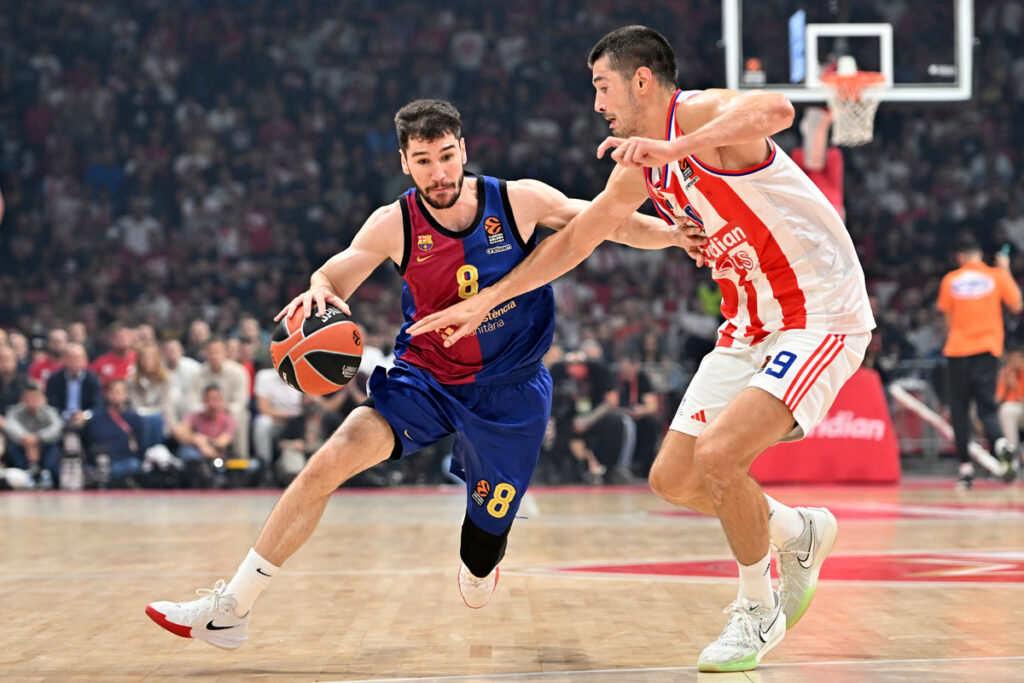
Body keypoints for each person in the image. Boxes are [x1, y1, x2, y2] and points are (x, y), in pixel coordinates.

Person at [145, 98, 697, 649]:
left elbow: (608, 223)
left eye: (446, 156)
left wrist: (672, 236)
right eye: (424, 160)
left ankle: (481, 560)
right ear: (405, 163)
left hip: (512, 393)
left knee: (480, 556)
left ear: (464, 151)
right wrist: (319, 285)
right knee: (325, 464)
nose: (439, 172)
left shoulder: (519, 199)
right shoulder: (395, 223)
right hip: (426, 378)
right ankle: (232, 607)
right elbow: (340, 270)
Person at [408, 27, 875, 672]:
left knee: (719, 454)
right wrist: (487, 299)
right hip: (748, 323)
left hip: (821, 312)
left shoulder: (705, 114)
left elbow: (780, 111)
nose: (597, 101)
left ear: (642, 81)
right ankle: (798, 532)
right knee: (675, 478)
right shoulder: (638, 167)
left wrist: (674, 145)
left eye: (602, 86)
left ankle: (756, 608)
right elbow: (579, 238)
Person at [937, 234, 1023, 488]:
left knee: (960, 412)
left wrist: (956, 336)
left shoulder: (950, 280)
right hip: (987, 350)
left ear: (959, 257)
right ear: (980, 255)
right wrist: (1005, 270)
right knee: (987, 407)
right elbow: (1017, 304)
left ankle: (965, 472)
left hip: (957, 351)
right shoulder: (996, 277)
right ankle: (1001, 444)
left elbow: (947, 320)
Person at [192, 337, 251, 459]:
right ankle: (198, 459)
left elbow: (241, 402)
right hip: (205, 413)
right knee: (191, 418)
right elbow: (192, 402)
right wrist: (209, 408)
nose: (214, 355)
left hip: (229, 412)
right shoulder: (197, 374)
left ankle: (241, 459)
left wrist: (223, 408)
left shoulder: (239, 372)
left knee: (241, 416)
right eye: (210, 351)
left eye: (217, 351)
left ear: (225, 352)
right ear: (205, 353)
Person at [82, 379, 144, 488]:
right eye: (114, 392)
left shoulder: (134, 418)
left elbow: (140, 444)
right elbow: (88, 441)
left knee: (134, 465)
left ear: (126, 395)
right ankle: (107, 478)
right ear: (107, 394)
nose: (117, 396)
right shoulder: (96, 417)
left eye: (120, 392)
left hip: (123, 461)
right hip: (100, 461)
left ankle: (106, 479)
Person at [173, 384, 237, 487]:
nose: (212, 403)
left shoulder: (228, 420)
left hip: (217, 457)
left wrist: (204, 441)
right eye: (209, 399)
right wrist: (196, 440)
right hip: (198, 456)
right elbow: (180, 432)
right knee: (186, 451)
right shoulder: (195, 416)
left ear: (221, 400)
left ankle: (211, 478)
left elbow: (222, 442)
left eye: (215, 399)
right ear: (204, 400)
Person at [45, 342, 104, 455]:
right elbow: (51, 404)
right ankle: (52, 468)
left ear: (85, 360)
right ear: (64, 359)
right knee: (52, 431)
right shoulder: (55, 379)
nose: (74, 361)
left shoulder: (92, 379)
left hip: (85, 418)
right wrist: (67, 416)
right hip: (61, 418)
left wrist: (85, 415)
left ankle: (92, 465)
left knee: (98, 428)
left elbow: (97, 404)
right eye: (71, 358)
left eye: (78, 358)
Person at [3, 383, 62, 488]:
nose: (31, 401)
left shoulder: (48, 411)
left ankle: (47, 474)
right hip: (22, 445)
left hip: (43, 446)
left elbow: (57, 426)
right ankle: (24, 475)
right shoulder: (15, 411)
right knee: (13, 446)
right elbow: (9, 425)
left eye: (35, 398)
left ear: (41, 398)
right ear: (22, 399)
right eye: (28, 398)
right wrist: (25, 438)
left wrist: (38, 437)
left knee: (53, 445)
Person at [995, 348, 1024, 476]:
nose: (1014, 361)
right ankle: (1012, 463)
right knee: (1006, 410)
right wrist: (1007, 384)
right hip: (1013, 409)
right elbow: (998, 400)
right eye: (1012, 359)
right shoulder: (1006, 373)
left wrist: (1014, 385)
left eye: (1018, 358)